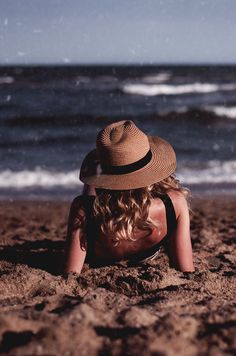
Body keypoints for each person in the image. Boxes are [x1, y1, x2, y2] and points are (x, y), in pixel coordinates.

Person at [64, 120, 194, 275]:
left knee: (89, 188)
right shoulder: (174, 204)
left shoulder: (83, 209)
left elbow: (70, 273)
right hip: (146, 253)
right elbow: (186, 270)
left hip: (101, 250)